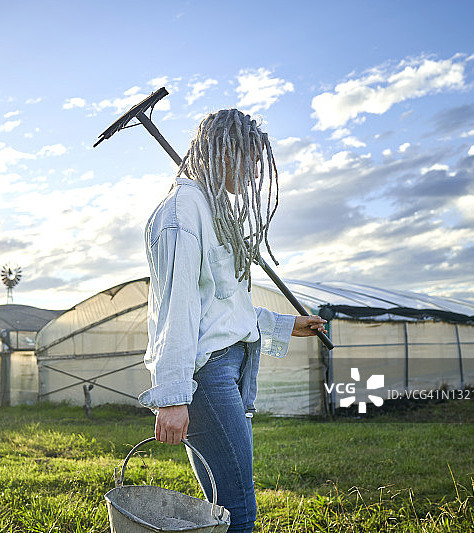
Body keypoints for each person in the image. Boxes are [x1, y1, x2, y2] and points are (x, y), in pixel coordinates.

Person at [138, 108, 327, 533]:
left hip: (229, 368)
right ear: (223, 152)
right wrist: (172, 396)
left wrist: (285, 324)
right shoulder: (180, 214)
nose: (255, 171)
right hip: (207, 376)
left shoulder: (212, 209)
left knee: (225, 504)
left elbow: (222, 308)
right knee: (238, 508)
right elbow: (177, 311)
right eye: (250, 158)